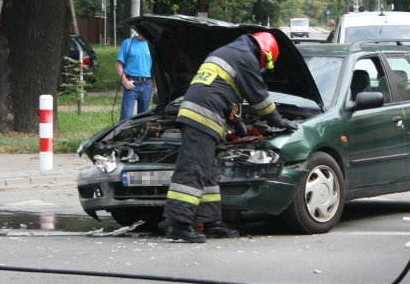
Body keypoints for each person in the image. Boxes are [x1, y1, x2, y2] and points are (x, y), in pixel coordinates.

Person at [159, 31, 298, 243]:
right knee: (192, 170)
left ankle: (212, 222)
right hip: (203, 116)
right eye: (264, 63)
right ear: (264, 54)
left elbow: (220, 90)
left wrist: (236, 122)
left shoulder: (228, 52)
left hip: (200, 112)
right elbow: (259, 99)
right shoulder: (246, 58)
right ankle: (179, 224)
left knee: (207, 172)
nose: (261, 66)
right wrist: (279, 121)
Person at [115, 29, 154, 120]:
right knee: (126, 116)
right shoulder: (128, 43)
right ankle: (123, 133)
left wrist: (156, 86)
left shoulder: (151, 45)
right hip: (131, 82)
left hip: (147, 84)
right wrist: (125, 81)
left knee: (143, 117)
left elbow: (155, 67)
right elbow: (118, 64)